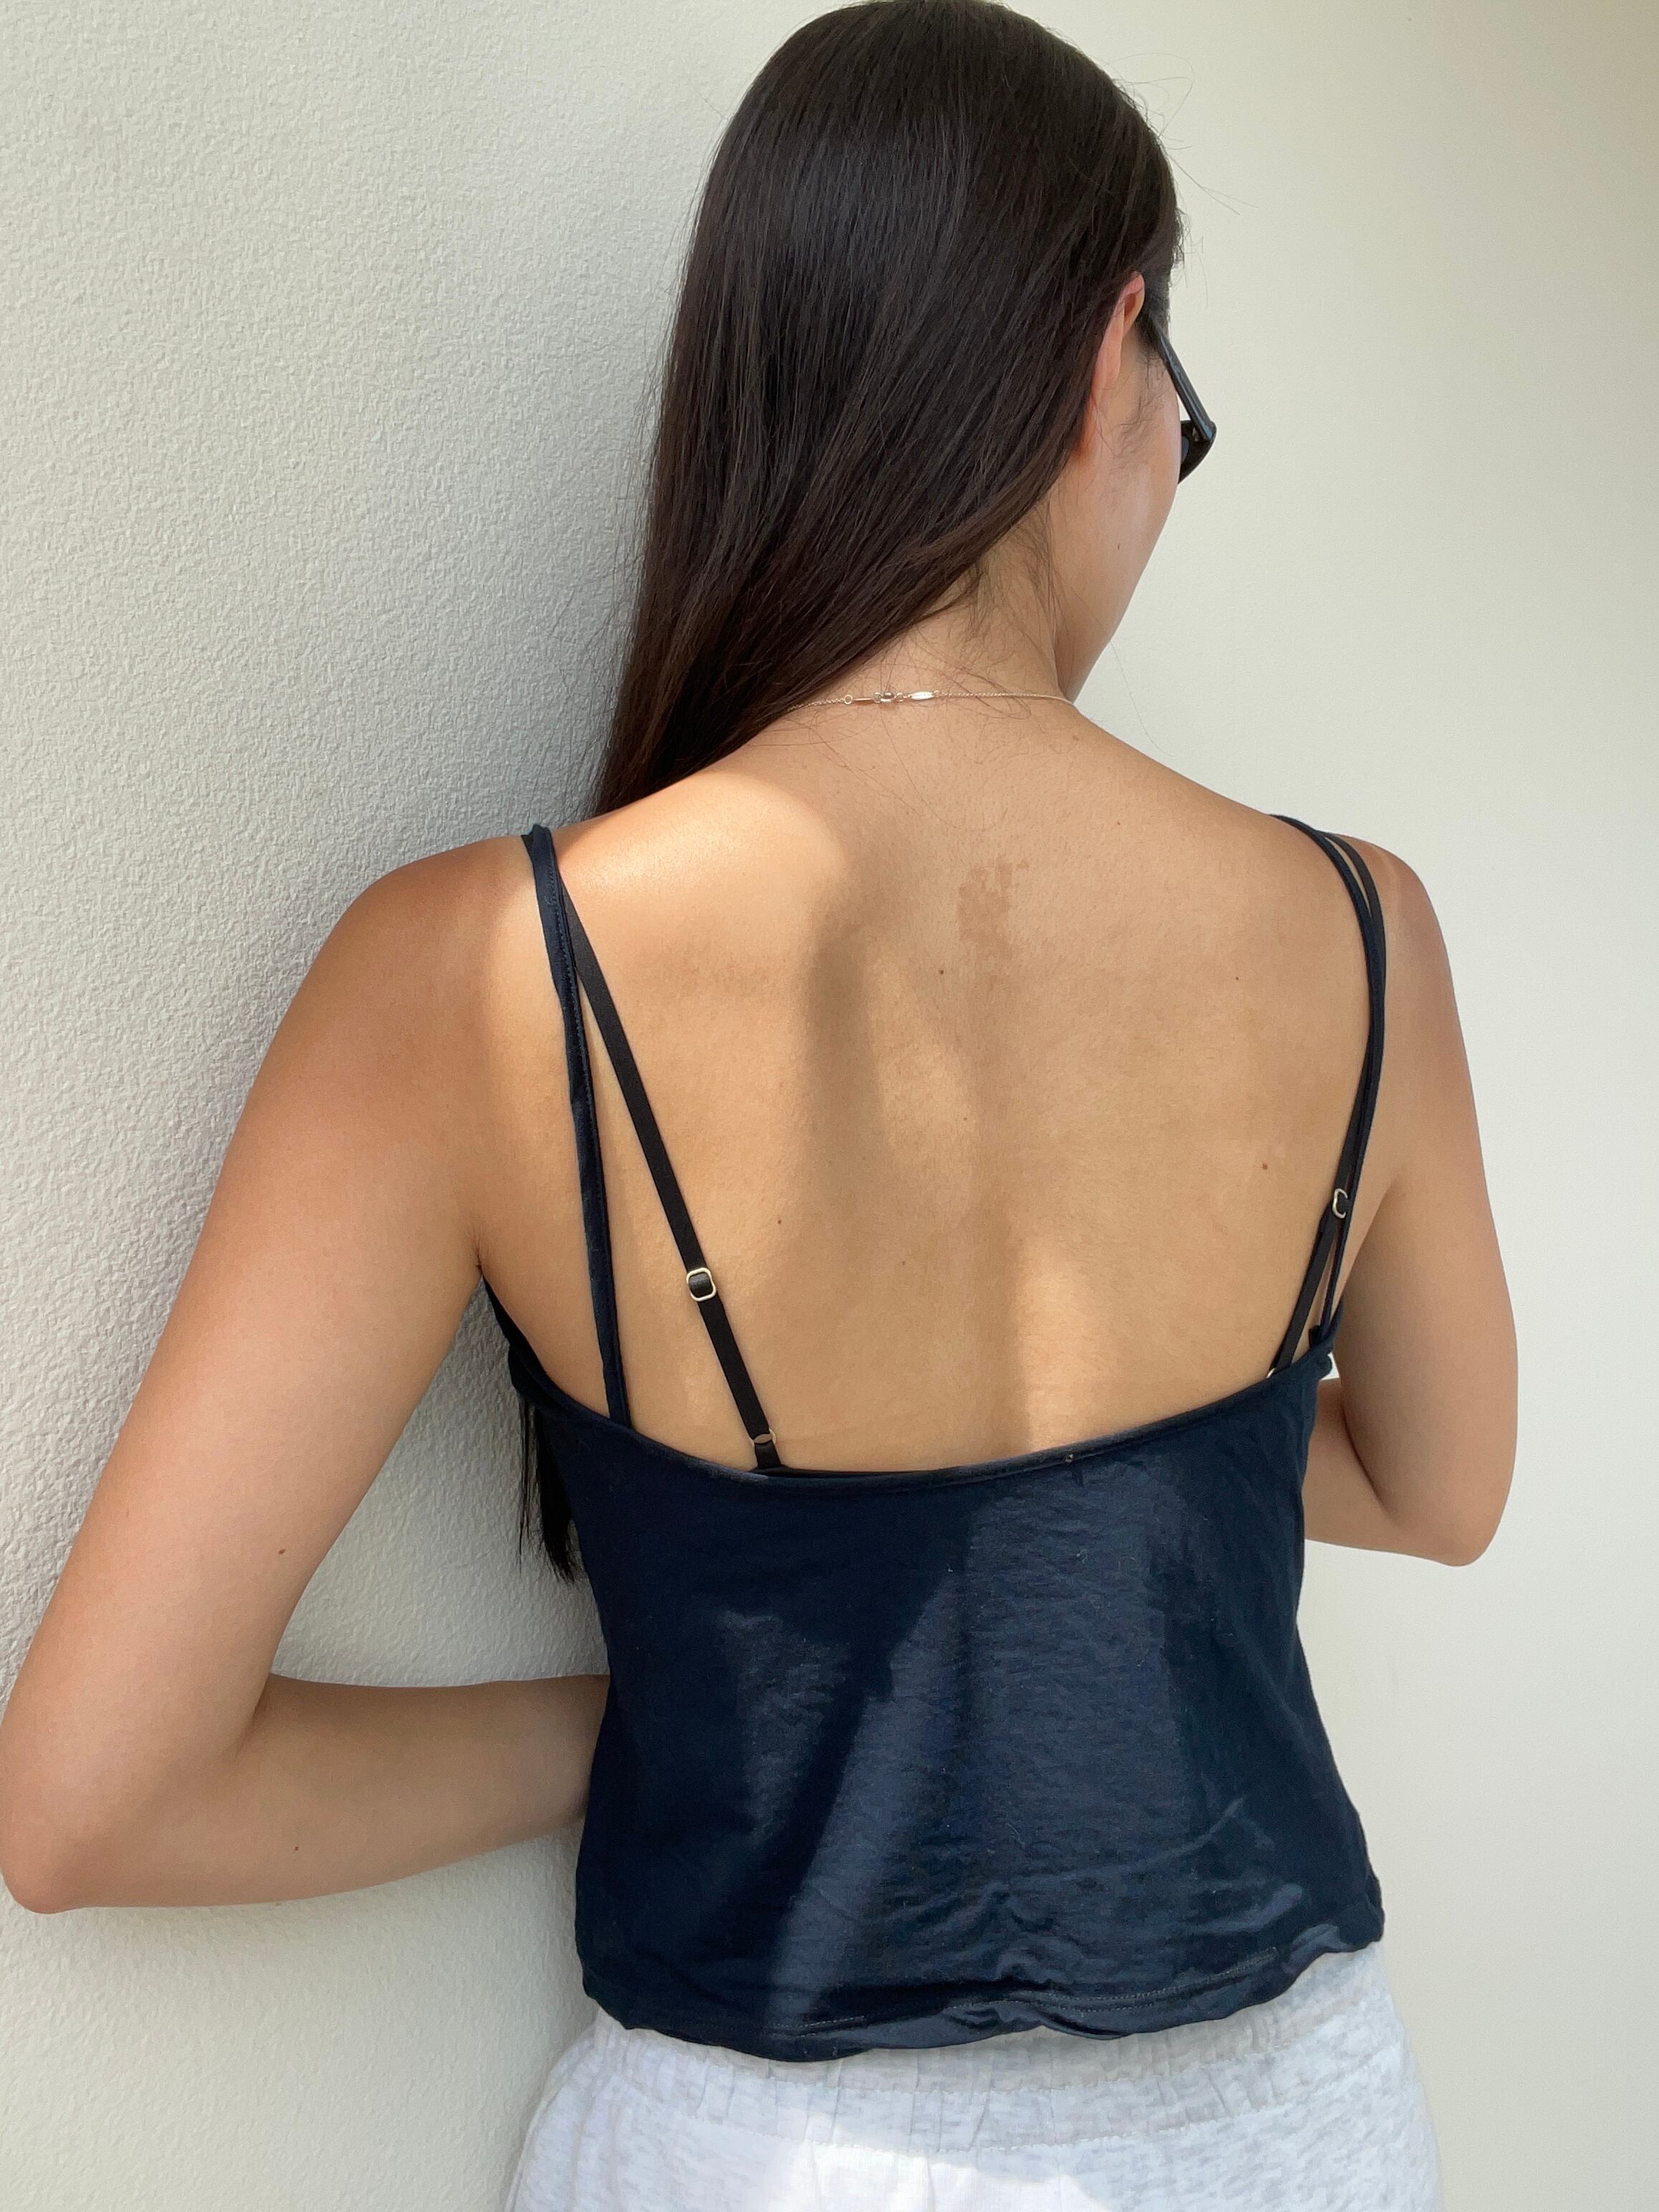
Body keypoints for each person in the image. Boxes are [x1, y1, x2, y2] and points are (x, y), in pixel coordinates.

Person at [0, 2, 1516, 2206]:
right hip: (1294, 2136)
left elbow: (97, 1801)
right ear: (1110, 353)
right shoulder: (1361, 932)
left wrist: (671, 1709)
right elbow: (1435, 1484)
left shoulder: (480, 974)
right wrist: (1094, 1514)